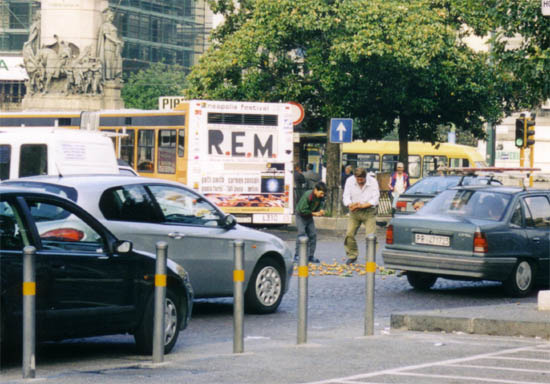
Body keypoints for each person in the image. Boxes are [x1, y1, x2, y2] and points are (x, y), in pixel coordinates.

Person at [342, 168, 380, 265]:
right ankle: (352, 255)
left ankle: (370, 257)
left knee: (370, 236)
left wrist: (363, 205)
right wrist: (350, 204)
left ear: (365, 177)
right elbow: (346, 196)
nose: (359, 182)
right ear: (355, 177)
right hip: (354, 212)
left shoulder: (373, 181)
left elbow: (375, 198)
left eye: (361, 180)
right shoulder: (349, 181)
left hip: (369, 211)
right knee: (349, 234)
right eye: (357, 179)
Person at [294, 181, 327, 264]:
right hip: (301, 216)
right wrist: (314, 213)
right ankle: (297, 255)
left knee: (313, 235)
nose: (322, 195)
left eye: (323, 194)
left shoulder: (320, 197)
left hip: (309, 216)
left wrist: (321, 210)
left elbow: (322, 203)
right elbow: (302, 210)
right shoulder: (308, 195)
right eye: (321, 193)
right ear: (315, 190)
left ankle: (310, 256)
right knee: (301, 234)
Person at [96, 9, 124, 80]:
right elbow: (107, 35)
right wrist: (116, 41)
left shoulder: (112, 25)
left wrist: (119, 41)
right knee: (108, 62)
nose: (112, 17)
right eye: (111, 16)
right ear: (107, 16)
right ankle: (109, 78)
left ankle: (116, 76)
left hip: (115, 47)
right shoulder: (105, 25)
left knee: (117, 61)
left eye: (112, 16)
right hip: (108, 46)